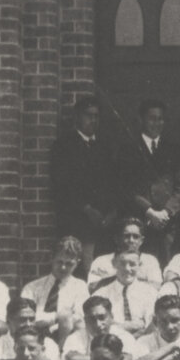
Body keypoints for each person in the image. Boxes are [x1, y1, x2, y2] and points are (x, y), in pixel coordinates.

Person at [51, 95, 118, 274]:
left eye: (96, 116)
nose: (93, 120)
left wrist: (111, 212)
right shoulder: (64, 147)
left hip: (104, 225)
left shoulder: (105, 146)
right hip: (78, 222)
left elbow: (114, 183)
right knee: (80, 269)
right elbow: (62, 186)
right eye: (88, 115)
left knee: (103, 270)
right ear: (78, 117)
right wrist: (87, 209)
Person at [118, 99, 180, 264]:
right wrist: (149, 211)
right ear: (142, 120)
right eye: (152, 118)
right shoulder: (128, 149)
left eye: (160, 119)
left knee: (167, 266)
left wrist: (167, 212)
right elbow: (126, 187)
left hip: (167, 224)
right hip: (140, 220)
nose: (156, 123)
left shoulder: (174, 150)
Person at [21, 236, 90, 347]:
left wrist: (60, 320)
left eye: (69, 264)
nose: (63, 267)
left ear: (77, 263)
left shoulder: (80, 287)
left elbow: (79, 320)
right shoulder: (32, 287)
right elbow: (25, 318)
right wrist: (57, 317)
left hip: (65, 341)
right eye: (59, 262)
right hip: (33, 340)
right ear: (52, 258)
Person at [62, 296, 140, 360]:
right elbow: (72, 359)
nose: (98, 324)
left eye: (102, 317)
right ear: (85, 320)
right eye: (92, 319)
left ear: (111, 316)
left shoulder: (124, 336)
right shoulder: (76, 337)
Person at [93, 250, 159, 337]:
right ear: (114, 264)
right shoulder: (101, 294)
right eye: (122, 263)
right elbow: (100, 325)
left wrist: (116, 324)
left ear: (139, 265)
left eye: (132, 264)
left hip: (145, 342)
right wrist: (129, 326)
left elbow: (153, 324)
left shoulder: (151, 292)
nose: (127, 269)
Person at [87, 218, 163, 291]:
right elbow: (92, 287)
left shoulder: (150, 260)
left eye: (135, 237)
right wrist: (137, 279)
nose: (131, 240)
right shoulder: (102, 261)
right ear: (117, 239)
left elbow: (156, 287)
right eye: (127, 236)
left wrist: (111, 278)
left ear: (141, 241)